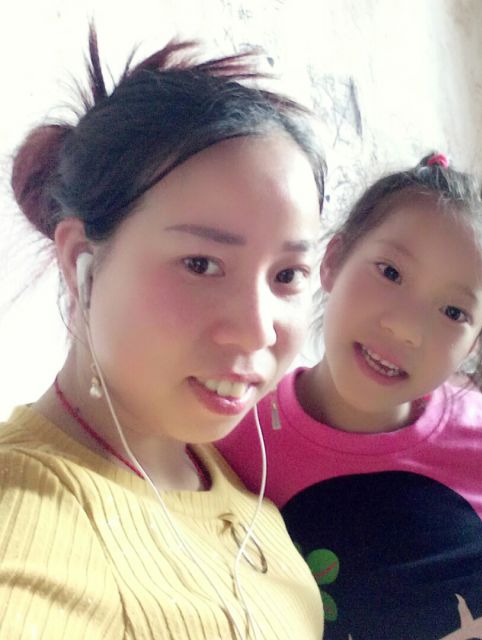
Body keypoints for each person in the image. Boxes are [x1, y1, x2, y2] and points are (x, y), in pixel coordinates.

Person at [217, 153, 482, 639]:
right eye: (390, 273)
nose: (407, 328)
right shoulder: (238, 427)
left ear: (474, 345)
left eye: (454, 312)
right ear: (332, 261)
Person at [0, 26, 328, 640]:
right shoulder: (24, 523)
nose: (256, 331)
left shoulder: (229, 473)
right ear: (80, 262)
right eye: (201, 264)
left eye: (288, 275)